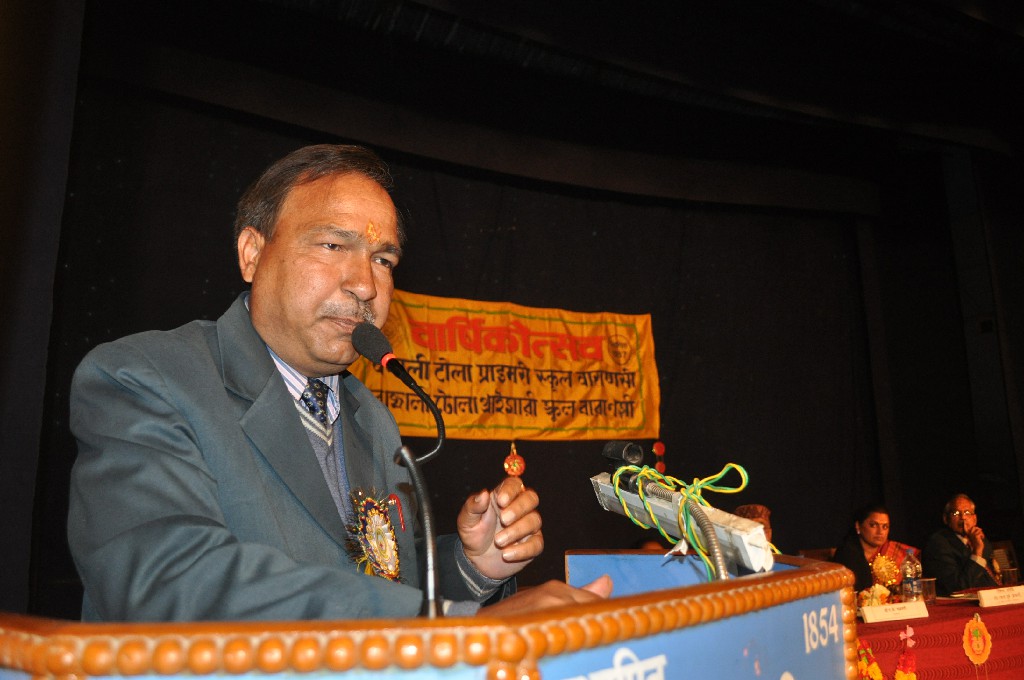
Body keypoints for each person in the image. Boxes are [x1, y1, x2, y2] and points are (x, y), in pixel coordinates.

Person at [67, 144, 612, 622]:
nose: (365, 285)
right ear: (252, 253)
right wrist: (453, 627)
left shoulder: (369, 416)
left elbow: (373, 578)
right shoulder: (147, 378)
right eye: (333, 246)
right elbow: (167, 583)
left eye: (383, 258)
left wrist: (470, 566)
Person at [922, 493, 999, 596]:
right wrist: (977, 551)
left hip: (989, 596)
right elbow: (958, 586)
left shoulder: (981, 539)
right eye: (956, 513)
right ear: (946, 519)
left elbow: (990, 577)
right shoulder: (938, 543)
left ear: (974, 519)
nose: (963, 517)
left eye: (967, 512)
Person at [831, 503, 917, 593]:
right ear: (858, 526)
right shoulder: (847, 554)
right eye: (873, 525)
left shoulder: (897, 551)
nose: (880, 532)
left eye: (885, 527)